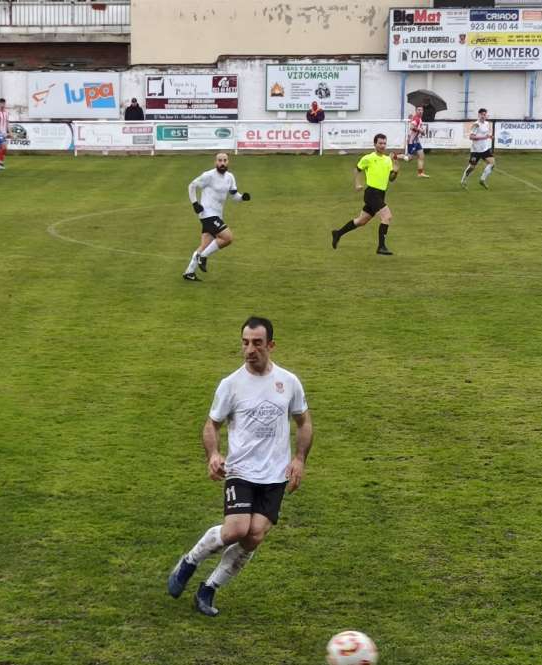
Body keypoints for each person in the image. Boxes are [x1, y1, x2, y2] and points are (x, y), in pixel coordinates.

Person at [167, 317, 313, 617]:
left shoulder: (288, 382)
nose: (250, 349)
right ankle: (190, 561)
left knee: (254, 535)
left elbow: (304, 422)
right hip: (241, 470)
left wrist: (299, 459)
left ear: (270, 345)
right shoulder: (231, 384)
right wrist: (213, 454)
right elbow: (212, 424)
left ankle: (208, 589)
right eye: (245, 342)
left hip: (274, 475)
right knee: (236, 529)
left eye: (257, 343)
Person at [183, 152, 252, 281]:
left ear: (228, 162)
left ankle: (189, 272)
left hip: (216, 215)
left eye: (225, 160)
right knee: (227, 238)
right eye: (220, 160)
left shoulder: (230, 177)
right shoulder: (208, 175)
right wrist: (195, 203)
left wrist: (243, 198)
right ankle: (203, 257)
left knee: (205, 245)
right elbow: (191, 185)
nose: (222, 163)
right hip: (207, 214)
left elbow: (234, 195)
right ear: (215, 162)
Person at [331, 133, 400, 256]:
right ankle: (381, 246)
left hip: (381, 194)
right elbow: (357, 170)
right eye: (380, 143)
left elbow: (391, 179)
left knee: (361, 221)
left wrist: (395, 170)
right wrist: (357, 184)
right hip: (371, 193)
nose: (382, 146)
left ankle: (338, 233)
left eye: (384, 143)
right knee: (387, 216)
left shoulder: (387, 160)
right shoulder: (368, 158)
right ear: (375, 144)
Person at [461, 108, 495, 189]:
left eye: (485, 114)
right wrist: (484, 137)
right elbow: (471, 137)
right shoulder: (476, 125)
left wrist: (490, 136)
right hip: (476, 150)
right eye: (482, 114)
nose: (483, 116)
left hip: (485, 149)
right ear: (479, 115)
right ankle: (463, 181)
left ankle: (482, 179)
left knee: (492, 163)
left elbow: (485, 134)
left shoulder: (487, 123)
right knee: (472, 167)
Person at [404, 105, 429, 178]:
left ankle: (420, 173)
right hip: (412, 141)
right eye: (419, 110)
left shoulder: (419, 119)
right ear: (416, 111)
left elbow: (418, 129)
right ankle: (394, 157)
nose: (420, 111)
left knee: (421, 156)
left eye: (421, 110)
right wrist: (420, 130)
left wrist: (422, 132)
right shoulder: (416, 118)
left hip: (416, 141)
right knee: (409, 158)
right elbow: (412, 127)